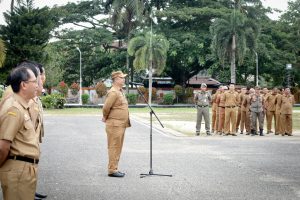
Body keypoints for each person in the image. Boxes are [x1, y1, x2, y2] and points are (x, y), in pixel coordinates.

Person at [0, 66, 39, 200]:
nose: (37, 85)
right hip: (18, 171)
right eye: (34, 82)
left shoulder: (23, 106)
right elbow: (3, 146)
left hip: (24, 171)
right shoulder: (14, 109)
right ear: (23, 85)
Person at [102, 71, 131, 177]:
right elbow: (106, 107)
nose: (123, 79)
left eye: (124, 78)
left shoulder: (120, 91)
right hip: (115, 125)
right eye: (122, 78)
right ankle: (112, 170)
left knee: (118, 147)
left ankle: (115, 168)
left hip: (120, 124)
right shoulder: (114, 92)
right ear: (116, 79)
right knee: (114, 147)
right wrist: (105, 117)